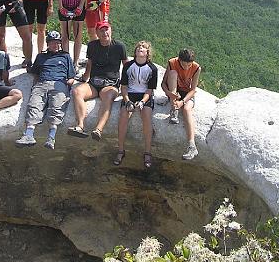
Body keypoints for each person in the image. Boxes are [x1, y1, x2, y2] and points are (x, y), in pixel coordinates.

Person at [16, 31, 75, 149]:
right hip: (42, 82)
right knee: (34, 104)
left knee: (56, 106)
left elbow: (71, 76)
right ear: (48, 44)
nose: (56, 45)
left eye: (58, 43)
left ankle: (51, 137)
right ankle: (29, 135)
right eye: (53, 43)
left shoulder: (65, 56)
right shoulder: (41, 56)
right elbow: (34, 71)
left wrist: (66, 86)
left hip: (59, 83)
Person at [68, 21, 127, 140]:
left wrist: (125, 86)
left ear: (111, 30)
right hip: (94, 83)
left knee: (108, 96)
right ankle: (80, 126)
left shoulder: (119, 46)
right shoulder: (92, 45)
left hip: (110, 84)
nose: (105, 32)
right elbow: (89, 63)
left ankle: (98, 129)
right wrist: (85, 77)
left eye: (107, 29)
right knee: (77, 92)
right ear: (97, 33)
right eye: (101, 30)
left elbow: (126, 66)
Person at [115, 41, 158, 169]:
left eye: (143, 48)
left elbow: (150, 90)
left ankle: (147, 152)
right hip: (130, 94)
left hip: (144, 95)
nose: (140, 48)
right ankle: (121, 150)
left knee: (146, 118)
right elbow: (124, 86)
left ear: (147, 53)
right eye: (139, 47)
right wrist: (127, 100)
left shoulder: (152, 68)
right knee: (123, 117)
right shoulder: (128, 66)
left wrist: (143, 102)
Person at [161, 48, 202, 160]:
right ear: (179, 60)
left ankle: (192, 146)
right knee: (173, 73)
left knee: (187, 109)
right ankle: (174, 110)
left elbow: (193, 90)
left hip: (188, 94)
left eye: (189, 65)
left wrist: (182, 102)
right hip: (175, 91)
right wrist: (169, 94)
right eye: (184, 65)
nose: (187, 67)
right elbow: (163, 84)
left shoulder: (196, 68)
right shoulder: (172, 63)